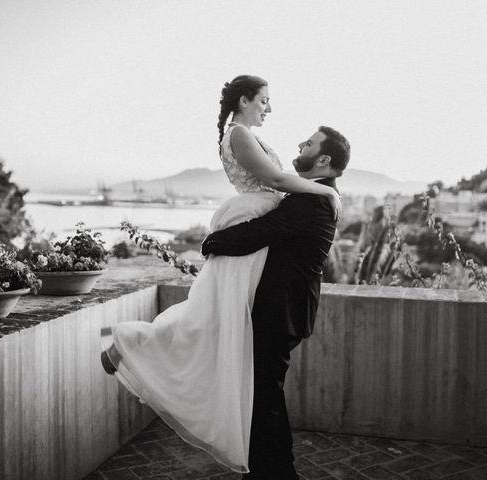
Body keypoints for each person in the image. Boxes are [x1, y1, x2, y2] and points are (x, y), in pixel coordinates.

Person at [100, 75, 341, 473]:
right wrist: (326, 191)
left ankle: (270, 466)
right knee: (213, 319)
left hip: (264, 249)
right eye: (264, 99)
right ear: (244, 100)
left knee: (218, 322)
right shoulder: (242, 135)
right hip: (251, 224)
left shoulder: (301, 194)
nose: (269, 107)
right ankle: (131, 343)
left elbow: (279, 207)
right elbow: (279, 181)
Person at [202, 125, 350, 479]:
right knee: (264, 396)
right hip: (281, 309)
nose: (301, 144)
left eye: (310, 143)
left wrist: (212, 242)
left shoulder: (314, 199)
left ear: (324, 159)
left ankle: (279, 473)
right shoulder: (317, 194)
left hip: (280, 311)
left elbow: (259, 233)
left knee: (265, 399)